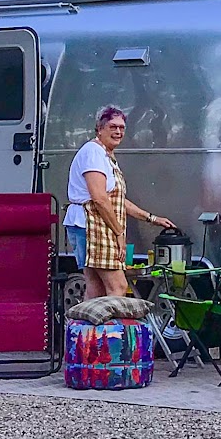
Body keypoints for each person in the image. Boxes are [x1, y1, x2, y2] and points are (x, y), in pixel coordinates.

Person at [69, 106, 173, 301]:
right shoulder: (93, 153)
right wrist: (118, 233)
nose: (118, 132)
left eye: (122, 128)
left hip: (91, 226)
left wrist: (151, 218)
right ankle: (113, 331)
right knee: (118, 285)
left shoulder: (106, 154)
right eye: (113, 127)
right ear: (99, 128)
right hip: (90, 225)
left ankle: (87, 331)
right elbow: (100, 198)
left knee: (96, 288)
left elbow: (117, 199)